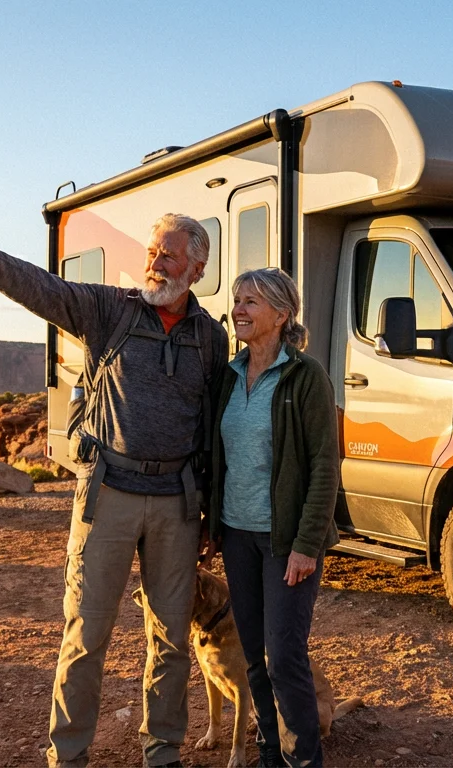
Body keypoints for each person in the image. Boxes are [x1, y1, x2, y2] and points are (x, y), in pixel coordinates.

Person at [0, 215, 227, 768]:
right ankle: (68, 758)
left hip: (176, 503)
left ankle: (162, 753)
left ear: (197, 267)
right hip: (109, 493)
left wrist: (210, 512)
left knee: (171, 641)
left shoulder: (210, 336)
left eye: (169, 255)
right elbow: (45, 290)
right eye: (152, 251)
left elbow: (211, 426)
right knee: (87, 634)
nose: (155, 263)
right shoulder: (109, 309)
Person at [205, 267, 340, 768]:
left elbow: (326, 463)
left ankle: (303, 758)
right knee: (255, 658)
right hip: (238, 536)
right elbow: (215, 455)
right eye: (237, 300)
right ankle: (268, 752)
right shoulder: (230, 375)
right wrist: (211, 524)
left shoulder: (306, 377)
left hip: (286, 540)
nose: (238, 309)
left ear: (282, 315)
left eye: (251, 302)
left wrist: (308, 543)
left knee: (284, 657)